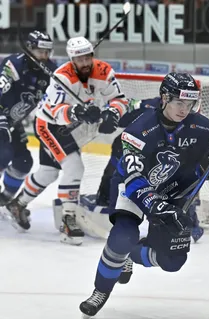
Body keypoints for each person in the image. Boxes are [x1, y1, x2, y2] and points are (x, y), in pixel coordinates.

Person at [79, 72, 209, 319]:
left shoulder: (203, 128)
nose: (185, 109)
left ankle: (132, 255)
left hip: (172, 189)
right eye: (179, 102)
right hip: (133, 187)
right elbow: (134, 178)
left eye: (189, 103)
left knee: (172, 261)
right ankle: (100, 290)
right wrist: (157, 206)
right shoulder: (138, 130)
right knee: (123, 236)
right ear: (164, 98)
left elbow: (200, 171)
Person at [5, 36, 129, 245]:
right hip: (49, 126)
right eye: (79, 59)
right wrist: (76, 112)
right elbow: (53, 110)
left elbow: (119, 99)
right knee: (74, 168)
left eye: (87, 57)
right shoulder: (62, 77)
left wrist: (113, 113)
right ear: (72, 59)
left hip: (71, 128)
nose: (84, 63)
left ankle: (17, 204)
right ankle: (67, 219)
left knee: (49, 172)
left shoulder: (104, 71)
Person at [79, 97, 205, 243]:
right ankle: (110, 205)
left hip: (159, 160)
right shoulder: (150, 108)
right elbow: (124, 114)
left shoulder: (193, 127)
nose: (184, 111)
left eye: (189, 106)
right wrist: (108, 118)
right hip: (135, 154)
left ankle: (189, 220)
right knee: (121, 175)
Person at [0, 31, 56, 211]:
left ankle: (4, 199)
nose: (44, 57)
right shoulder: (13, 66)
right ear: (29, 49)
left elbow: (58, 100)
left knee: (24, 162)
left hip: (12, 124)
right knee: (3, 154)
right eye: (41, 52)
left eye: (48, 52)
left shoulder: (50, 73)